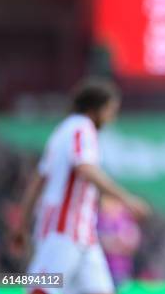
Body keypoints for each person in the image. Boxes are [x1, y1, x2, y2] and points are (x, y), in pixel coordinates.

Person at [12, 78, 151, 294]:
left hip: (83, 233)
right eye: (110, 109)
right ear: (96, 109)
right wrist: (127, 199)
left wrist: (21, 225)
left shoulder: (61, 132)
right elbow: (85, 168)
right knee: (41, 288)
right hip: (64, 229)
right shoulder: (82, 128)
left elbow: (37, 183)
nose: (112, 117)